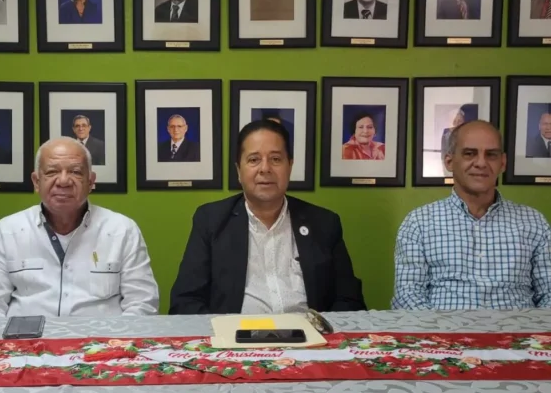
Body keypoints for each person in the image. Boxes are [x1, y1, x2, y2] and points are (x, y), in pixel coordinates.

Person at [169, 120, 367, 314]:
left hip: (308, 332)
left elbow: (349, 301)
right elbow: (185, 302)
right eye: (254, 160)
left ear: (290, 166)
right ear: (239, 170)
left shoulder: (324, 223)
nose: (265, 168)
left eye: (276, 159)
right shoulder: (210, 221)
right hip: (237, 333)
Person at [0, 137, 160, 318]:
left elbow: (142, 305)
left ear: (91, 181)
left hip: (103, 340)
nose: (63, 181)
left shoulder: (122, 230)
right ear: (36, 181)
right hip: (25, 340)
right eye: (52, 172)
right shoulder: (7, 231)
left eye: (75, 172)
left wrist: (113, 341)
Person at [391, 120, 551, 310]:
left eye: (491, 155)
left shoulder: (534, 222)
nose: (481, 163)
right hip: (442, 327)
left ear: (503, 163)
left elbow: (548, 293)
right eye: (469, 153)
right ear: (449, 161)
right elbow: (408, 296)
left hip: (519, 328)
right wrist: (439, 330)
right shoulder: (418, 223)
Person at [440, 107, 466, 173]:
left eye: (459, 121)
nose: (457, 123)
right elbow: (444, 153)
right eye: (455, 121)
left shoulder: (468, 135)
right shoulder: (446, 135)